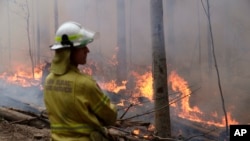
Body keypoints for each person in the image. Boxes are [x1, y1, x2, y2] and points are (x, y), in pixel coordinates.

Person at [43, 21, 117, 141]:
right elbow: (110, 117)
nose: (87, 50)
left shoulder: (48, 81)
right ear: (69, 51)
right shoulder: (84, 84)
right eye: (82, 46)